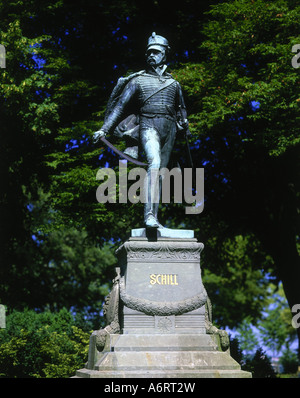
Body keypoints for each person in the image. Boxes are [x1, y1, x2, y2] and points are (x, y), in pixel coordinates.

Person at [93, 32, 189, 228]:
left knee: (161, 171)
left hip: (169, 129)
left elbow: (182, 110)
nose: (150, 56)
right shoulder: (137, 81)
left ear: (165, 54)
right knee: (154, 163)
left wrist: (184, 124)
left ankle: (155, 216)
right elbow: (119, 107)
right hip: (148, 126)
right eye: (149, 53)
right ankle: (149, 216)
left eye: (155, 52)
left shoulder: (175, 84)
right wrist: (104, 129)